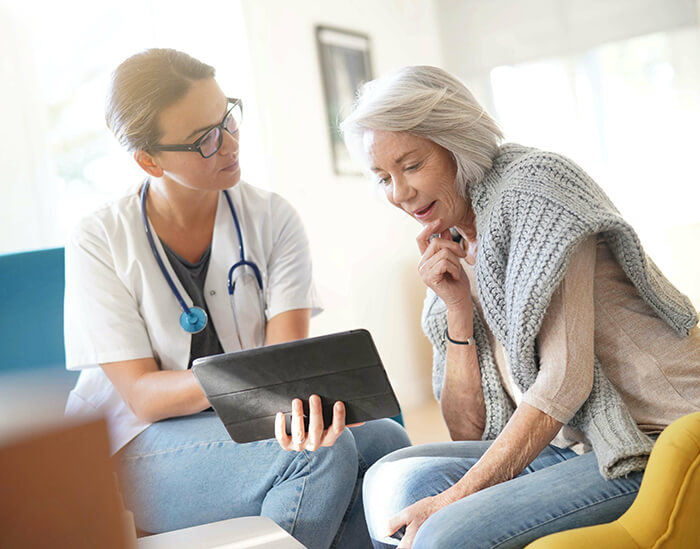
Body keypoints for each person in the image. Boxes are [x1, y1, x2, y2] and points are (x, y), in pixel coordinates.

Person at [340, 65, 700, 548]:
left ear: (457, 143)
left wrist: (456, 498)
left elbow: (565, 380)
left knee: (445, 532)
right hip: (576, 446)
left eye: (411, 165)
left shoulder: (534, 188)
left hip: (655, 439)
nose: (400, 194)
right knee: (391, 479)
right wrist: (458, 309)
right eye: (383, 177)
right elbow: (468, 428)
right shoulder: (449, 238)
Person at [63, 48, 410, 549]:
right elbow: (143, 395)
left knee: (387, 443)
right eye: (204, 138)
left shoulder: (273, 218)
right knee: (316, 457)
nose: (228, 143)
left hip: (245, 422)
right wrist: (248, 384)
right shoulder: (100, 238)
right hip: (133, 444)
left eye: (227, 116)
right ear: (149, 159)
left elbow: (286, 369)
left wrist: (286, 394)